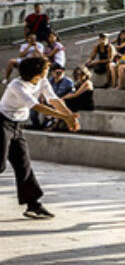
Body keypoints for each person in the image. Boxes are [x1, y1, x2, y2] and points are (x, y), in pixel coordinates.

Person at [0, 57, 80, 219]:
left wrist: (70, 116)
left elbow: (53, 100)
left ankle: (33, 204)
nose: (48, 71)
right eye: (45, 68)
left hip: (16, 126)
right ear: (35, 72)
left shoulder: (42, 81)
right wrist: (63, 118)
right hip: (2, 123)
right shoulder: (16, 85)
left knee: (23, 164)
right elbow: (36, 106)